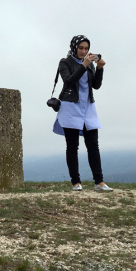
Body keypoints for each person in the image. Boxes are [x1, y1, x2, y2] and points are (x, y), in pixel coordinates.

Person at [53, 35, 113, 192]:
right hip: (70, 108)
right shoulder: (64, 62)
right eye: (81, 48)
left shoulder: (89, 64)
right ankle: (76, 182)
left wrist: (99, 68)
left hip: (88, 108)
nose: (84, 51)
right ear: (74, 47)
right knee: (72, 146)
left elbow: (96, 85)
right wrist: (84, 65)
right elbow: (68, 81)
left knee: (93, 144)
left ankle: (99, 182)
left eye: (86, 48)